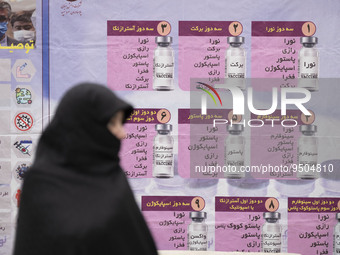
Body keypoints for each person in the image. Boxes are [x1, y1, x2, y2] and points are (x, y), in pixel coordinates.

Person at [13, 83, 158, 255]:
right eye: (112, 123)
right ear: (84, 127)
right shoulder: (40, 184)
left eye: (121, 123)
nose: (122, 133)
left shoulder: (111, 175)